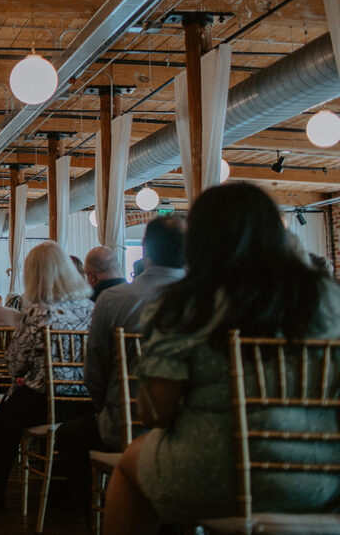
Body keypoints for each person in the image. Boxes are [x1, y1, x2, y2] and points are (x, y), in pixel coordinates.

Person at [104, 183, 340, 533]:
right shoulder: (330, 298)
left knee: (127, 467)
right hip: (320, 479)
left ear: (198, 241)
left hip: (212, 471)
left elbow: (157, 413)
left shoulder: (183, 303)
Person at [54, 214, 187, 525]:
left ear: (146, 251)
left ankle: (91, 520)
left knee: (69, 435)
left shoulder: (113, 300)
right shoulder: (208, 299)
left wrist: (109, 408)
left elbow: (94, 373)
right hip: (188, 429)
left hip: (124, 426)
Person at [0, 242, 93, 512]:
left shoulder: (38, 312)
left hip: (43, 401)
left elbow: (14, 365)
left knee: (0, 433)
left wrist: (27, 375)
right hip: (85, 403)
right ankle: (64, 499)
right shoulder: (90, 309)